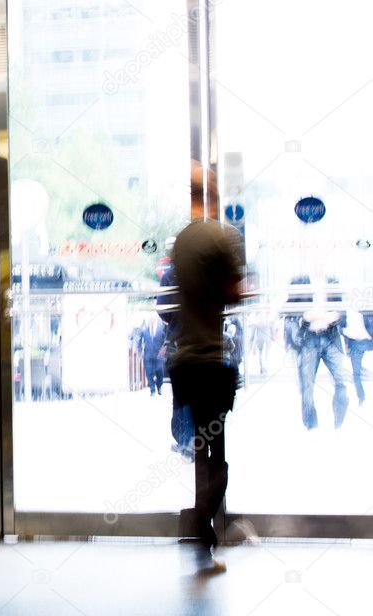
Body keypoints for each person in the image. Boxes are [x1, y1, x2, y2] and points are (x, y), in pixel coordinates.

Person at [168, 164, 244, 574]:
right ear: (213, 195)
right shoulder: (221, 237)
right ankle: (203, 520)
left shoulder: (182, 240)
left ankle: (203, 534)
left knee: (201, 447)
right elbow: (236, 292)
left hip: (184, 361)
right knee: (218, 453)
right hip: (211, 359)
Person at [284, 273, 350, 429]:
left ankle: (338, 422)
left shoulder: (334, 281)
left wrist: (337, 316)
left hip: (330, 337)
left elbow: (343, 313)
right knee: (307, 385)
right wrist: (305, 318)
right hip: (308, 339)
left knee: (342, 380)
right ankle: (311, 426)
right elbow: (288, 311)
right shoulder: (299, 281)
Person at [157, 241, 192, 460]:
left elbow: (163, 310)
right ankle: (192, 439)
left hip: (181, 341)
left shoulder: (170, 275)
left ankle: (186, 440)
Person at [342, 310, 373, 406]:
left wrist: (347, 346)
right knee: (357, 373)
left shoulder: (346, 314)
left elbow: (343, 331)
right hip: (367, 342)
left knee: (356, 374)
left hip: (355, 344)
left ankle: (361, 397)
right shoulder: (365, 311)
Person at [138, 312, 167, 396]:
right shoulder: (144, 329)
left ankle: (159, 386)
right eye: (150, 319)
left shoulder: (161, 328)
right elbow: (139, 341)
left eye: (153, 318)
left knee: (160, 371)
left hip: (159, 355)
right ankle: (152, 390)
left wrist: (164, 349)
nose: (151, 320)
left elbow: (165, 340)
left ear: (156, 319)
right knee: (149, 372)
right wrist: (140, 352)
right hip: (148, 355)